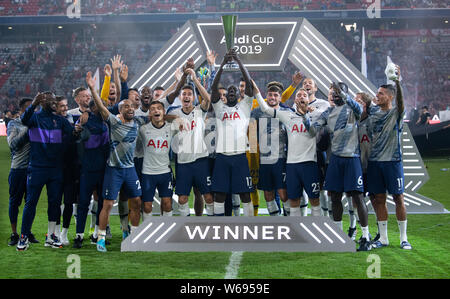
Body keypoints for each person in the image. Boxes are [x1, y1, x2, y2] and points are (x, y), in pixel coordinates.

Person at [86, 71, 146, 252]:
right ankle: (101, 239)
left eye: (131, 106)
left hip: (130, 170)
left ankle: (133, 236)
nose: (130, 108)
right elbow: (101, 107)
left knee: (136, 201)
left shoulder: (137, 121)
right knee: (108, 204)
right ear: (119, 110)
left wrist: (176, 119)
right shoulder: (113, 121)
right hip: (114, 169)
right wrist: (92, 88)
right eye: (126, 106)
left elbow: (158, 114)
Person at [16, 92, 82, 251]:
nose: (54, 101)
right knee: (31, 203)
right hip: (37, 168)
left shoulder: (60, 120)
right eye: (50, 99)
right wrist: (33, 104)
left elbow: (72, 133)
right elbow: (24, 120)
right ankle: (24, 236)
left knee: (54, 203)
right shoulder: (35, 117)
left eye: (55, 99)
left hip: (55, 169)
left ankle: (51, 235)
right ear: (42, 101)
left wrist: (77, 129)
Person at [311, 82, 372, 251]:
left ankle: (365, 237)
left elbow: (357, 107)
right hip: (335, 160)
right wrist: (304, 117)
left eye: (338, 92)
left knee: (357, 197)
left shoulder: (353, 109)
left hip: (352, 158)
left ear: (346, 94)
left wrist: (343, 94)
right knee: (335, 197)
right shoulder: (328, 112)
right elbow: (311, 130)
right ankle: (338, 237)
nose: (335, 95)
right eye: (332, 92)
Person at [254, 83, 322, 217]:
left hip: (303, 162)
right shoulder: (285, 115)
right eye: (298, 95)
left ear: (310, 99)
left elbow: (314, 133)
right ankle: (286, 226)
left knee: (308, 198)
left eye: (304, 95)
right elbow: (263, 111)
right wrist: (255, 88)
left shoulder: (315, 115)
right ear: (295, 100)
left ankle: (313, 228)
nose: (301, 96)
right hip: (281, 162)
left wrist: (307, 113)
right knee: (286, 197)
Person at [367, 65, 412, 250]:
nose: (376, 96)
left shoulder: (397, 113)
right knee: (379, 199)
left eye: (381, 94)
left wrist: (397, 82)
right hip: (375, 162)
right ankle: (383, 238)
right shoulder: (373, 114)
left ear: (390, 97)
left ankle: (403, 238)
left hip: (393, 162)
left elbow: (401, 103)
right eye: (376, 93)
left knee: (399, 198)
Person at [209, 49, 254, 216]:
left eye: (235, 90)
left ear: (239, 94)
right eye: (230, 90)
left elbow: (248, 83)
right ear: (226, 95)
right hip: (222, 156)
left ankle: (249, 228)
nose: (233, 91)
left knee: (245, 194)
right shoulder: (219, 107)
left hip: (240, 156)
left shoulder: (245, 106)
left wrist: (238, 61)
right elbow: (214, 87)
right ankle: (220, 226)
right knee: (219, 194)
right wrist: (222, 64)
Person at [168, 68, 213, 217]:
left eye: (189, 94)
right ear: (180, 97)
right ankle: (186, 227)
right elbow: (159, 113)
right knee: (182, 198)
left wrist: (195, 80)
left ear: (194, 97)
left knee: (207, 196)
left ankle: (206, 225)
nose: (187, 96)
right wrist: (174, 119)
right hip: (183, 162)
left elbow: (208, 99)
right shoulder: (175, 112)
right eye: (184, 94)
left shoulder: (200, 110)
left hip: (201, 160)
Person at [250, 82, 290, 216]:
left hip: (281, 158)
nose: (272, 97)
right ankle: (276, 221)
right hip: (264, 159)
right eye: (270, 95)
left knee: (283, 193)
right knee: (268, 194)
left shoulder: (287, 112)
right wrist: (254, 156)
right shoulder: (256, 112)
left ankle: (289, 220)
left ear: (280, 98)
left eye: (275, 95)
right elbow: (251, 134)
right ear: (266, 96)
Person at [138, 100, 178, 218]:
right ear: (149, 114)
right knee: (147, 205)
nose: (156, 110)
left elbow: (182, 120)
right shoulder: (143, 129)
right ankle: (147, 231)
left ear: (164, 112)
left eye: (159, 108)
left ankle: (166, 231)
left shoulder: (171, 128)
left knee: (167, 203)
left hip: (165, 172)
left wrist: (173, 117)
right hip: (148, 173)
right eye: (153, 109)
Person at [7, 98, 33, 246]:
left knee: (30, 202)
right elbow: (13, 144)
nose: (34, 111)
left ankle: (26, 232)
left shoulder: (36, 122)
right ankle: (14, 233)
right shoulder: (14, 123)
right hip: (18, 169)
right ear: (23, 109)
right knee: (14, 202)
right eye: (31, 108)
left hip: (33, 169)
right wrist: (28, 130)